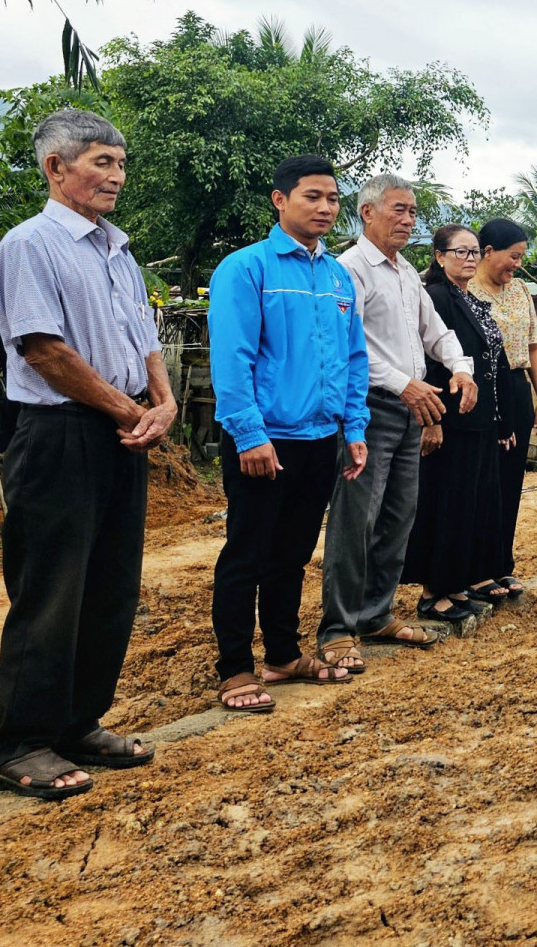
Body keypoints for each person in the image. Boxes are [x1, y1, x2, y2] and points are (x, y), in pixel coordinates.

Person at [0, 109, 176, 800]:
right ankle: (21, 743)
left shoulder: (115, 248)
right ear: (54, 167)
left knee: (110, 587)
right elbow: (44, 351)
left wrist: (164, 402)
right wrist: (131, 412)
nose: (116, 176)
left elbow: (143, 337)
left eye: (121, 163)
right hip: (60, 432)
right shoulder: (31, 244)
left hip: (123, 432)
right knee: (51, 591)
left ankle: (77, 723)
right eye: (101, 162)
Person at [207, 155, 370, 714]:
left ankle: (281, 653)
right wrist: (249, 434)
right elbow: (232, 360)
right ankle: (234, 669)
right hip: (264, 440)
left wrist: (354, 427)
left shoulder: (336, 275)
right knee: (246, 554)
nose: (325, 208)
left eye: (332, 199)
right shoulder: (245, 268)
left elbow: (353, 358)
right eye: (312, 197)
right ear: (280, 200)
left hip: (321, 438)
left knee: (293, 554)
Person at [315, 176, 479, 672]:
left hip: (413, 406)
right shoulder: (348, 270)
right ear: (368, 213)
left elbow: (437, 333)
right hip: (368, 407)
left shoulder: (407, 273)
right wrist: (403, 383)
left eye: (413, 211)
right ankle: (338, 627)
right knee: (355, 519)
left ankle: (375, 613)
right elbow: (349, 348)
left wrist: (461, 368)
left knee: (398, 515)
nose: (409, 220)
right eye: (399, 210)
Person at [405, 224, 514, 630]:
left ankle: (456, 582)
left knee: (470, 503)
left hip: (477, 415)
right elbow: (433, 360)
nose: (468, 259)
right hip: (448, 414)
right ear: (439, 256)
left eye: (473, 253)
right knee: (445, 503)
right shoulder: (435, 297)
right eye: (459, 252)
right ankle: (435, 592)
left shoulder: (467, 298)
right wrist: (434, 419)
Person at [470, 217, 537, 607]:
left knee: (510, 480)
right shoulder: (465, 291)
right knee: (482, 479)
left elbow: (535, 345)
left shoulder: (520, 291)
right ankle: (475, 568)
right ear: (488, 252)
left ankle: (502, 562)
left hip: (516, 387)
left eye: (520, 258)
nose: (516, 265)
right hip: (482, 390)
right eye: (512, 257)